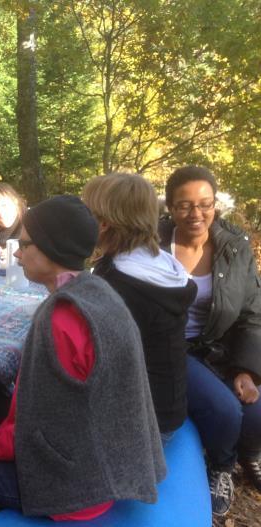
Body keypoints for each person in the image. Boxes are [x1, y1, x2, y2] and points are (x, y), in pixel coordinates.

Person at [0, 195, 165, 527]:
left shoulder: (61, 317)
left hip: (73, 488)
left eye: (26, 244)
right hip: (108, 462)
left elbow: (42, 427)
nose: (17, 253)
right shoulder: (99, 293)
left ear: (53, 249)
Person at [159, 165, 261, 516]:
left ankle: (250, 453)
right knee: (224, 409)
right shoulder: (152, 244)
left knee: (256, 407)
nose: (196, 213)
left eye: (205, 203)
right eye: (184, 205)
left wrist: (246, 369)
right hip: (172, 348)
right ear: (170, 208)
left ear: (216, 205)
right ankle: (221, 465)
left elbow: (252, 312)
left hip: (220, 344)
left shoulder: (234, 247)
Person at [82, 173, 197, 440]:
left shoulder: (118, 283)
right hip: (168, 408)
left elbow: (94, 359)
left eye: (86, 210)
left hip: (143, 425)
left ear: (103, 223)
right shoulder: (162, 264)